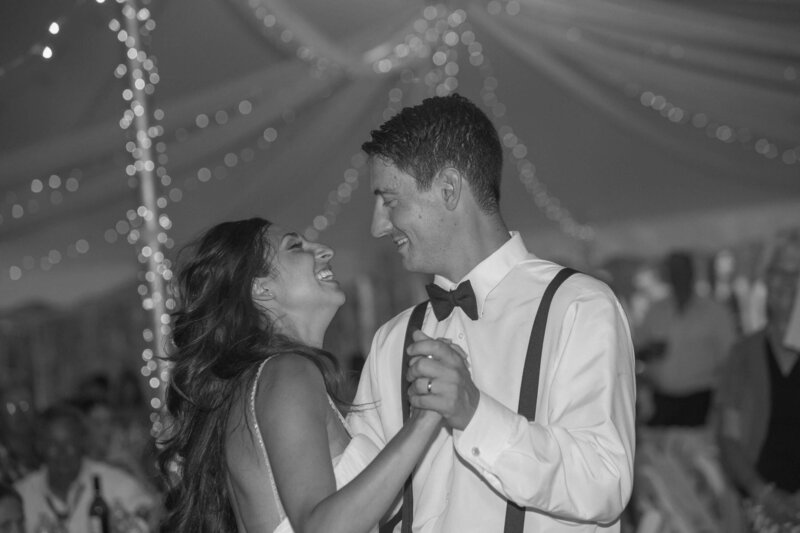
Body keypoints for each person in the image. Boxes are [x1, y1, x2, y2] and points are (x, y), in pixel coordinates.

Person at [349, 93, 636, 532]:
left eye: (388, 200)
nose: (378, 226)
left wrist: (475, 415)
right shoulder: (392, 339)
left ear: (448, 189)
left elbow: (603, 483)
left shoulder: (578, 305)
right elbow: (357, 500)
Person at [157, 218, 442, 533]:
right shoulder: (288, 371)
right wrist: (425, 418)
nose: (324, 250)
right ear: (262, 289)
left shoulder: (264, 379)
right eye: (296, 247)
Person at [715, 228, 800, 531]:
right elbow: (729, 437)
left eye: (798, 271)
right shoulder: (743, 354)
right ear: (766, 277)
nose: (789, 281)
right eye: (780, 271)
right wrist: (763, 493)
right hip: (760, 506)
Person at [13, 403, 155, 533]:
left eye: (70, 443)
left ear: (83, 442)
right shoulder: (22, 495)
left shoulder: (116, 484)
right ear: (39, 446)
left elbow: (154, 517)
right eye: (53, 444)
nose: (62, 453)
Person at [636, 251, 738, 427]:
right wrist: (649, 351)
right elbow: (638, 351)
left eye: (682, 271)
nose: (678, 277)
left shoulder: (714, 312)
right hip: (662, 401)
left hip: (699, 401)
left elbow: (730, 359)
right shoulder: (656, 310)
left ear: (691, 273)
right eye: (674, 271)